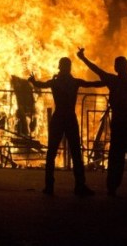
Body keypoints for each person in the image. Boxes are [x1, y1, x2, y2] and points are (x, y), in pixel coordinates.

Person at [28, 57, 104, 196]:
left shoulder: (55, 82)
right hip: (69, 117)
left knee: (52, 152)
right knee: (75, 152)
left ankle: (50, 186)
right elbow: (91, 84)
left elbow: (41, 85)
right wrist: (107, 82)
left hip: (59, 118)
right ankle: (79, 186)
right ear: (68, 67)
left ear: (60, 67)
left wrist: (33, 81)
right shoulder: (73, 82)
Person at [77, 48, 127, 197]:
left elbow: (97, 70)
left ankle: (113, 188)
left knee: (117, 158)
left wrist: (83, 58)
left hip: (121, 125)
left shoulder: (114, 81)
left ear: (116, 68)